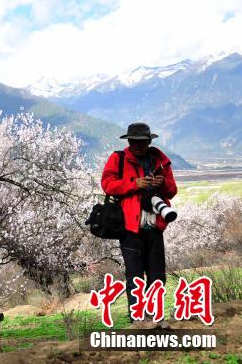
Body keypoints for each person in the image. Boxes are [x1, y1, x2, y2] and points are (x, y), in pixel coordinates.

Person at [101, 122, 178, 330]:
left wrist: (161, 184)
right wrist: (134, 184)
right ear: (129, 141)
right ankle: (139, 319)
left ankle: (157, 316)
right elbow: (107, 185)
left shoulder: (161, 162)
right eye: (133, 142)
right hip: (130, 227)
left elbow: (172, 191)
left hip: (155, 226)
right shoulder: (118, 159)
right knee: (134, 275)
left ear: (149, 142)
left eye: (141, 142)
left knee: (157, 275)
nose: (137, 146)